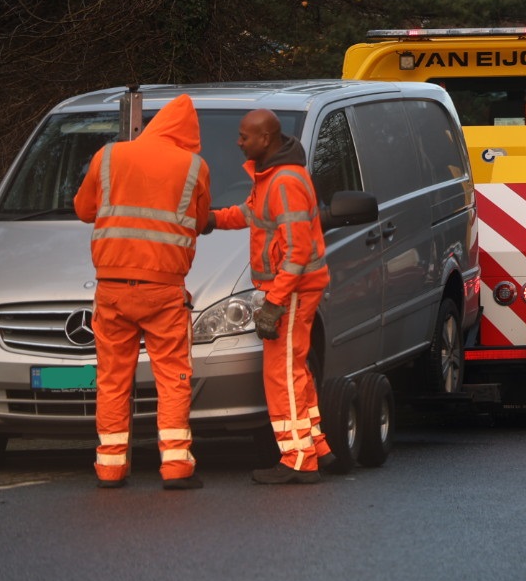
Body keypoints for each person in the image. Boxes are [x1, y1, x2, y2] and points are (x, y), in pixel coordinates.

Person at [73, 94, 210, 490]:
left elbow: (84, 210)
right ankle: (176, 468)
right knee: (173, 376)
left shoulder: (109, 156)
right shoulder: (195, 167)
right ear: (189, 136)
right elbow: (200, 221)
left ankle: (111, 468)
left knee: (113, 379)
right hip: (164, 291)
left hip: (112, 288)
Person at [209, 109, 332, 484]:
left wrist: (275, 302)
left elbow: (297, 251)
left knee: (282, 373)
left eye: (244, 136)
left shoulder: (283, 181)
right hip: (293, 288)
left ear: (266, 139)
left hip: (291, 290)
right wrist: (212, 220)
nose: (239, 141)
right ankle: (315, 446)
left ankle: (296, 458)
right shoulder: (274, 177)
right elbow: (252, 214)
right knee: (295, 368)